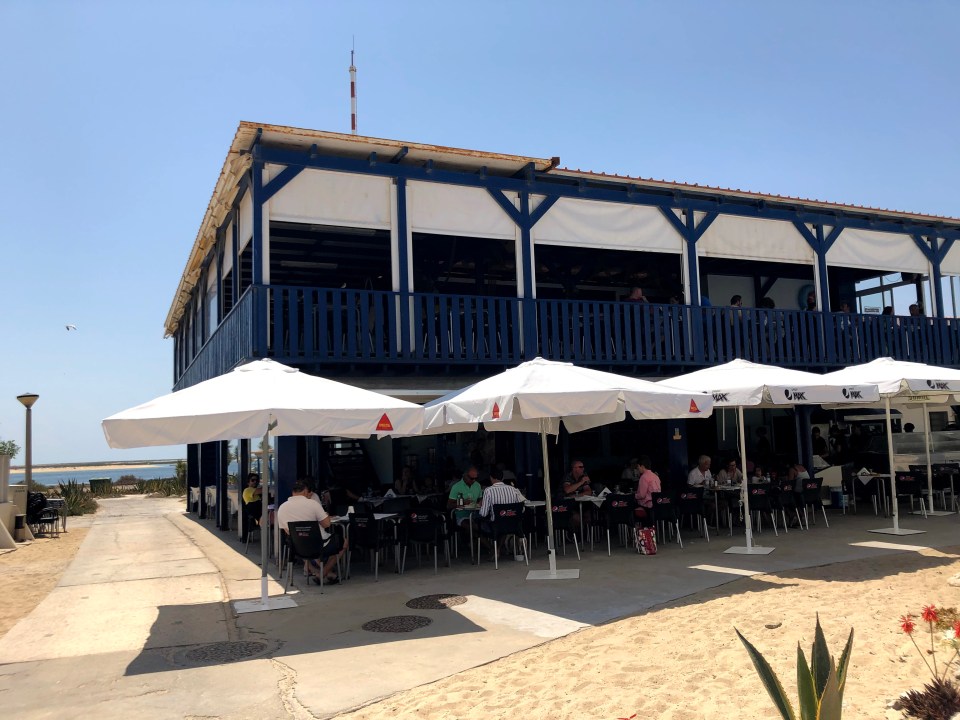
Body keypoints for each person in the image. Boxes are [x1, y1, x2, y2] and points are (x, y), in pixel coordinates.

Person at [277, 480, 347, 584]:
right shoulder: (312, 504)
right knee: (344, 542)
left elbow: (286, 530)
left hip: (297, 547)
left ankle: (322, 572)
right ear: (305, 491)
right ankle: (323, 573)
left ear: (293, 492)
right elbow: (327, 524)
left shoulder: (282, 508)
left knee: (309, 545)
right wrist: (326, 514)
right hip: (319, 545)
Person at [478, 466, 526, 553]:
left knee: (479, 527)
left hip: (497, 526)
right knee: (503, 524)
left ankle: (494, 550)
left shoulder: (488, 491)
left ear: (491, 478)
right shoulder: (514, 489)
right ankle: (498, 549)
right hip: (514, 525)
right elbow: (521, 509)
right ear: (502, 478)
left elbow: (483, 513)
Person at [447, 465, 483, 533]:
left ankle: (474, 542)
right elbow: (449, 505)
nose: (474, 480)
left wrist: (482, 502)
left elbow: (480, 500)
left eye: (476, 478)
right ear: (465, 475)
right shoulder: (456, 487)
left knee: (488, 525)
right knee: (473, 527)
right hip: (461, 515)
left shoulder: (477, 485)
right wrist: (462, 502)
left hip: (475, 515)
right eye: (471, 478)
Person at [633, 456, 661, 526]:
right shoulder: (656, 476)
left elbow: (642, 495)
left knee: (630, 509)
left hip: (647, 508)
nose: (637, 469)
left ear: (642, 466)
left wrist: (633, 495)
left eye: (637, 467)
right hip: (658, 505)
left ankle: (635, 532)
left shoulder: (644, 477)